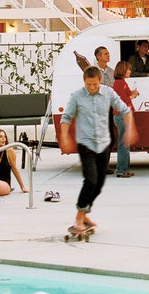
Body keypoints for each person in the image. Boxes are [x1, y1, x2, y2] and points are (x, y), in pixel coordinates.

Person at [59, 66, 126, 235]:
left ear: (100, 80)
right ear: (84, 81)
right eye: (89, 84)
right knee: (91, 179)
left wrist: (130, 128)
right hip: (86, 143)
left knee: (100, 183)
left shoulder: (108, 93)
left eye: (95, 84)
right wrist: (64, 137)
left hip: (103, 143)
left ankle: (85, 212)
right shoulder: (76, 96)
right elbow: (66, 117)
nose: (92, 87)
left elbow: (124, 109)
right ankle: (79, 217)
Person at [111, 61, 139, 178]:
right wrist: (132, 96)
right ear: (123, 70)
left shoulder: (122, 83)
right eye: (128, 69)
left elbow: (127, 94)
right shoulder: (118, 83)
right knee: (123, 144)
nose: (130, 71)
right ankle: (121, 170)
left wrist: (133, 93)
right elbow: (123, 101)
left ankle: (125, 169)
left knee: (125, 143)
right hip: (122, 116)